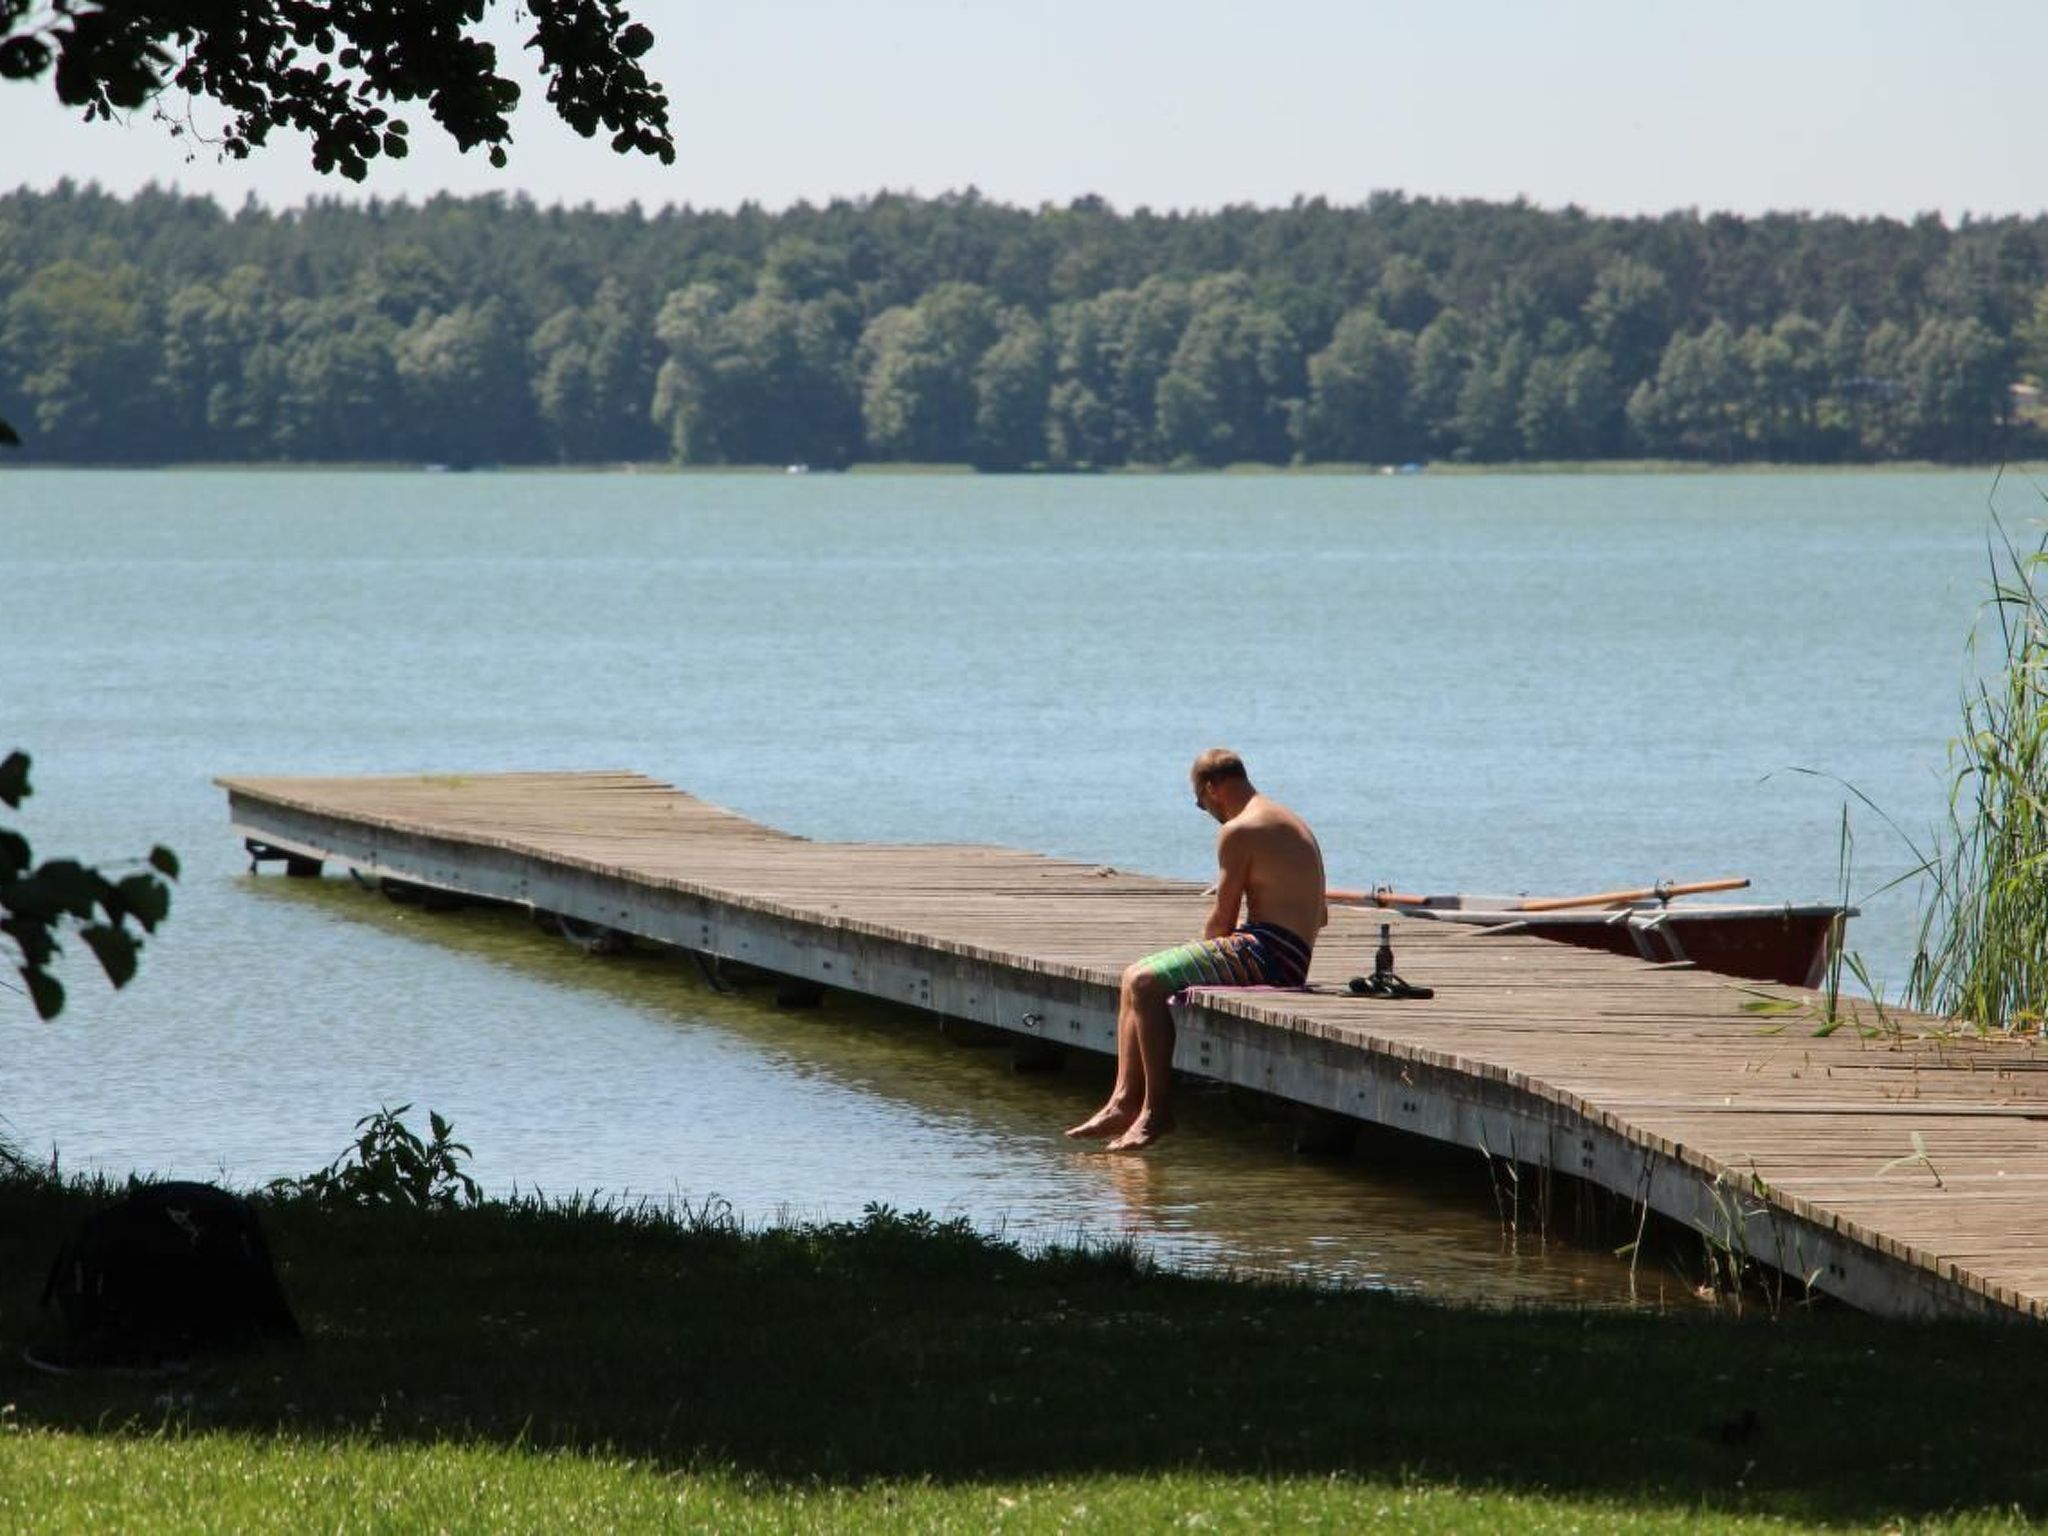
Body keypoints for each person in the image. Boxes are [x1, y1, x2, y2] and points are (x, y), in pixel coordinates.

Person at [1066, 749, 1327, 1152]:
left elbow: (1222, 920)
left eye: (1200, 802)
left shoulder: (1240, 829)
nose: (1206, 811)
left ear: (1212, 788)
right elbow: (1321, 916)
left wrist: (1205, 951)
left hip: (1271, 954)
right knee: (1132, 974)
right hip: (1289, 949)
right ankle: (1122, 1101)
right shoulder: (1289, 821)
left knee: (1148, 980)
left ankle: (1156, 1112)